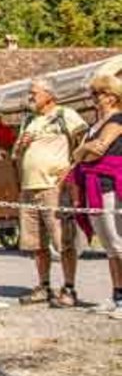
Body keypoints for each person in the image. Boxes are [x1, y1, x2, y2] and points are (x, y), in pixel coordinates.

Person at [13, 77, 87, 307]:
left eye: (33, 92)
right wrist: (21, 145)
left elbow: (85, 143)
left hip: (54, 187)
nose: (30, 97)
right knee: (36, 244)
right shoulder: (29, 120)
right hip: (28, 188)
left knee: (63, 241)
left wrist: (71, 170)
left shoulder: (66, 115)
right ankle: (44, 286)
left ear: (49, 94)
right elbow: (15, 154)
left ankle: (69, 288)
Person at [66, 74, 122, 318]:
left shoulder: (117, 120)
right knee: (109, 246)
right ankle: (117, 294)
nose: (93, 99)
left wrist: (84, 151)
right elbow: (80, 154)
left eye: (96, 94)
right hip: (93, 186)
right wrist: (84, 150)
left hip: (111, 185)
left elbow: (99, 149)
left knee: (119, 242)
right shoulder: (95, 125)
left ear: (110, 96)